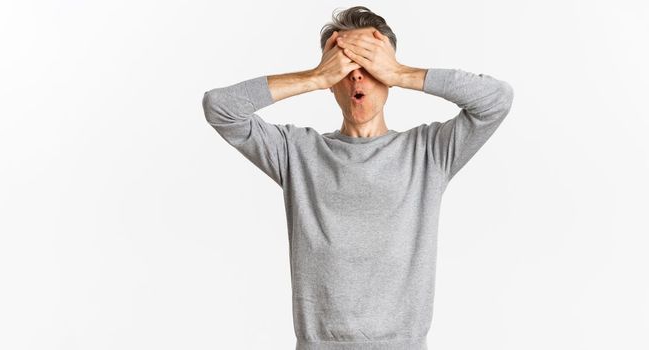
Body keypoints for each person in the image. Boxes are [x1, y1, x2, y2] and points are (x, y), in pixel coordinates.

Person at [201, 6, 513, 350]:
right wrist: (314, 77)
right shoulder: (296, 152)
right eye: (345, 66)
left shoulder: (428, 152)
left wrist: (400, 72)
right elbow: (220, 107)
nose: (357, 76)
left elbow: (496, 100)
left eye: (369, 63)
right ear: (331, 82)